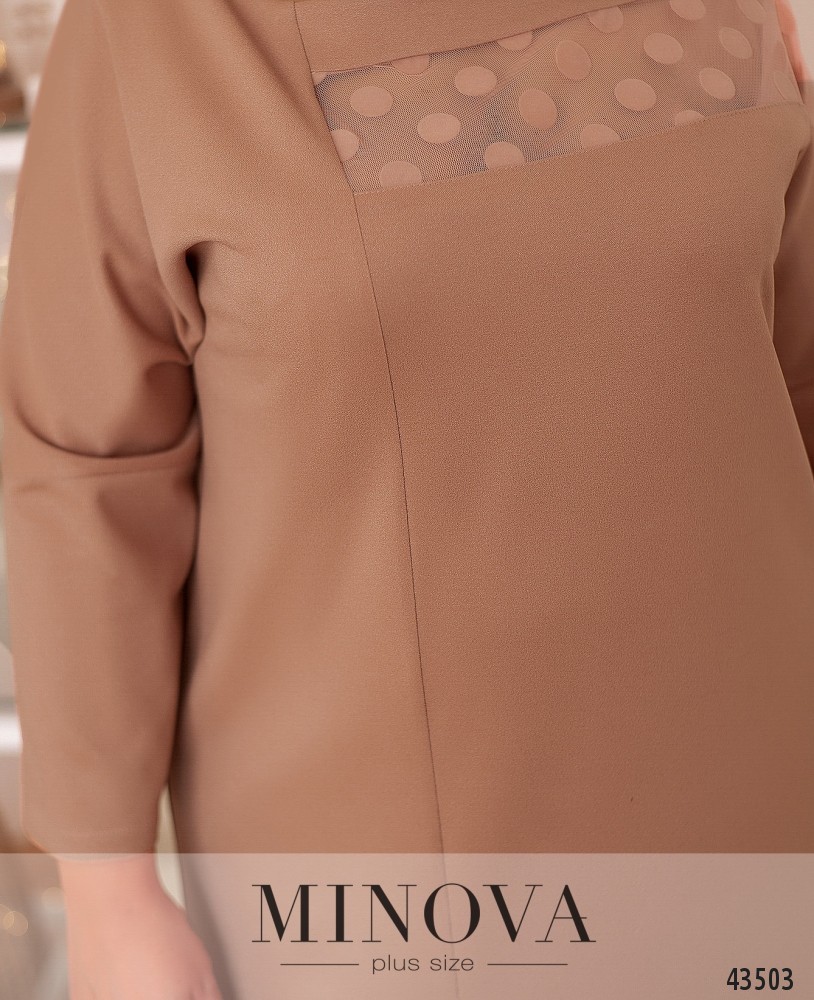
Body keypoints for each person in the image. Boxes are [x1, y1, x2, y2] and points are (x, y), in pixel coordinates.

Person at [1, 0, 813, 997]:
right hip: (375, 882)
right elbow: (88, 475)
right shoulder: (163, 31)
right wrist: (108, 894)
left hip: (762, 802)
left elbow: (794, 368)